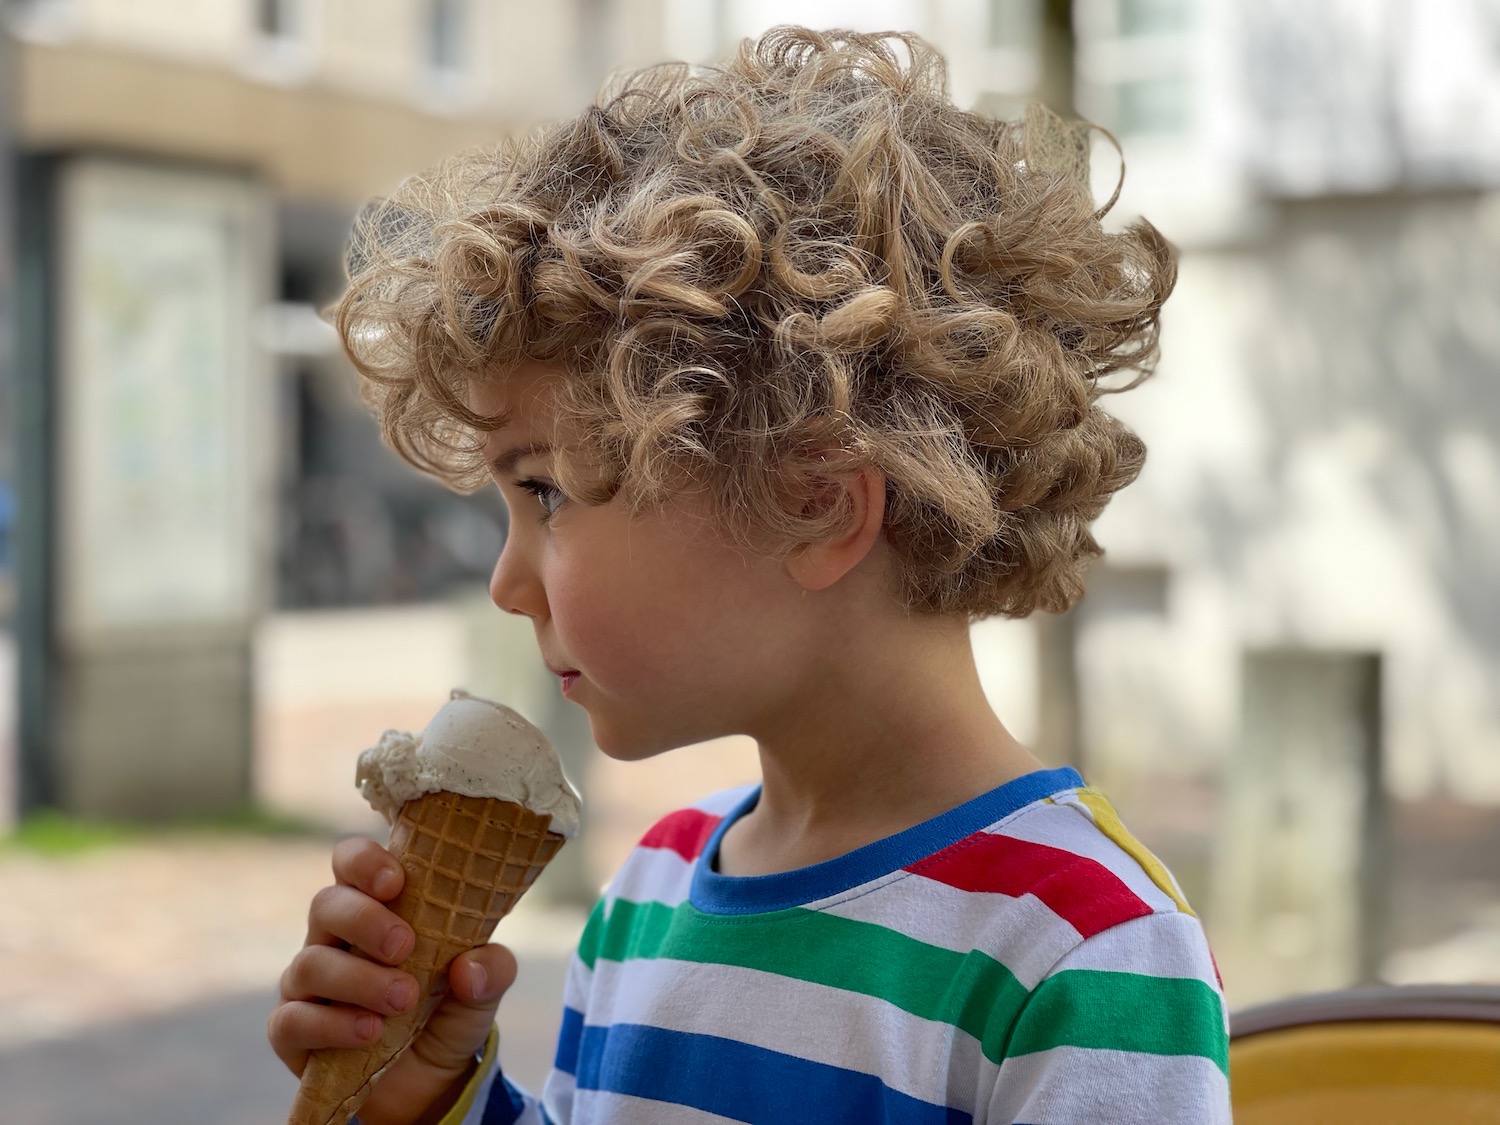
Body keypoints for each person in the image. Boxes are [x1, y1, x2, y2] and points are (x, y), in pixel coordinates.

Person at [268, 26, 1229, 1125]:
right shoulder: (654, 887)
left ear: (815, 503)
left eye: (543, 494)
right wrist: (432, 1095)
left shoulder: (1080, 946)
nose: (508, 584)